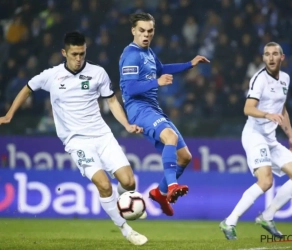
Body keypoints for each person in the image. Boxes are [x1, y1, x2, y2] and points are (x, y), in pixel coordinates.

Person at [0, 31, 148, 246]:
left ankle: (125, 202)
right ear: (64, 53)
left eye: (82, 53)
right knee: (104, 185)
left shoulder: (97, 73)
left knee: (129, 181)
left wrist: (126, 124)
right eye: (75, 54)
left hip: (102, 135)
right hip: (77, 141)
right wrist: (10, 113)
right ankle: (126, 230)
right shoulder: (51, 75)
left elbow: (112, 102)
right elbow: (27, 88)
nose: (79, 59)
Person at [118, 12, 210, 216]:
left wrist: (190, 64)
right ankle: (171, 186)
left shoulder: (149, 53)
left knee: (185, 157)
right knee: (170, 136)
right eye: (141, 31)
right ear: (133, 31)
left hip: (153, 108)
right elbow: (130, 88)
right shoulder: (131, 55)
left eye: (150, 31)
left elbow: (161, 69)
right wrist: (156, 83)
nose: (146, 35)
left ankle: (159, 193)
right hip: (138, 109)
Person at [220, 42, 292, 240]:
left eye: (275, 54)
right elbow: (248, 108)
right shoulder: (259, 79)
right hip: (255, 134)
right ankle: (229, 222)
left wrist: (290, 136)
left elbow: (281, 109)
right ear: (263, 58)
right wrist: (266, 115)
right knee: (265, 181)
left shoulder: (285, 79)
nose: (271, 58)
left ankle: (267, 216)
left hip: (271, 139)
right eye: (267, 54)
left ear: (282, 58)